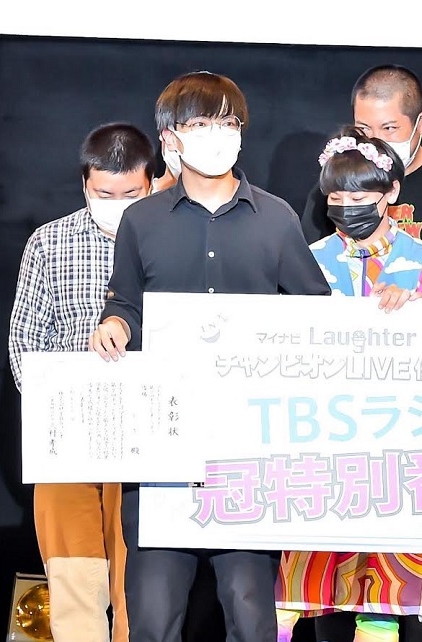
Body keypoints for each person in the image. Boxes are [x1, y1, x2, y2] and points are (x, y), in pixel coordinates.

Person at [89, 70, 332, 642]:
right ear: (171, 137)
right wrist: (115, 324)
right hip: (161, 450)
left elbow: (316, 316)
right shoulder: (141, 220)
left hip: (248, 454)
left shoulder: (276, 217)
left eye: (228, 123)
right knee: (153, 618)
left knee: (250, 616)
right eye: (201, 124)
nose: (217, 135)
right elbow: (125, 302)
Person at [9, 122, 156, 642]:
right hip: (68, 438)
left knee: (139, 584)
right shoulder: (49, 242)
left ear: (152, 181)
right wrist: (56, 405)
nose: (117, 205)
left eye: (130, 194)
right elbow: (24, 340)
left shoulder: (171, 239)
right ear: (85, 185)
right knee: (74, 581)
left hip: (146, 437)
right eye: (103, 194)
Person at [276, 127, 422, 642]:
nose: (347, 209)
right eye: (336, 200)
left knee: (384, 588)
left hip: (398, 448)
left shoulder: (418, 260)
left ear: (391, 192)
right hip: (321, 441)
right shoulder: (310, 260)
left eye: (360, 200)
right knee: (296, 586)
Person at [301, 65, 422, 244]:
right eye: (364, 129)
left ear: (419, 125)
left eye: (389, 128)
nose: (375, 140)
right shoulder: (338, 187)